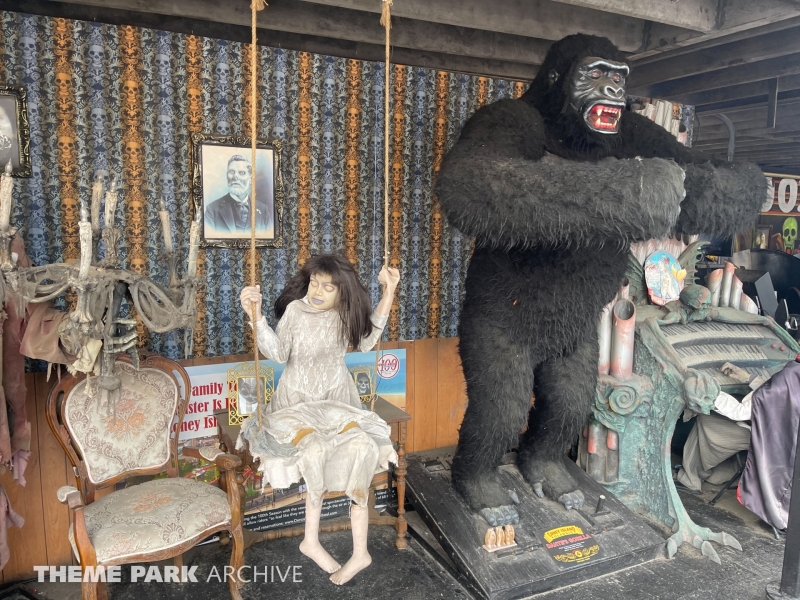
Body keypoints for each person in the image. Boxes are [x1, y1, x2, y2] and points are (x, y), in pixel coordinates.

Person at [238, 255, 400, 585]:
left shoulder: (345, 315)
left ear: (342, 292)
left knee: (364, 449)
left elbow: (368, 342)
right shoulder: (296, 311)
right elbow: (279, 354)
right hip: (296, 404)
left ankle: (360, 553)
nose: (317, 291)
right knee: (312, 453)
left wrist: (389, 291)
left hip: (337, 402)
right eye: (314, 283)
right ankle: (310, 540)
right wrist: (255, 317)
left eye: (328, 287)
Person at [676, 362, 766, 493]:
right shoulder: (793, 380)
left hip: (761, 440)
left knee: (705, 420)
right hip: (771, 441)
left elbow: (739, 412)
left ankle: (690, 481)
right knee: (715, 477)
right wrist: (747, 378)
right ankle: (722, 474)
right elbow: (772, 390)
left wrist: (709, 392)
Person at [205, 154, 271, 236]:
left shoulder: (263, 210)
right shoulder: (212, 210)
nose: (235, 177)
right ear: (227, 176)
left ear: (250, 179)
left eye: (242, 173)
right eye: (232, 172)